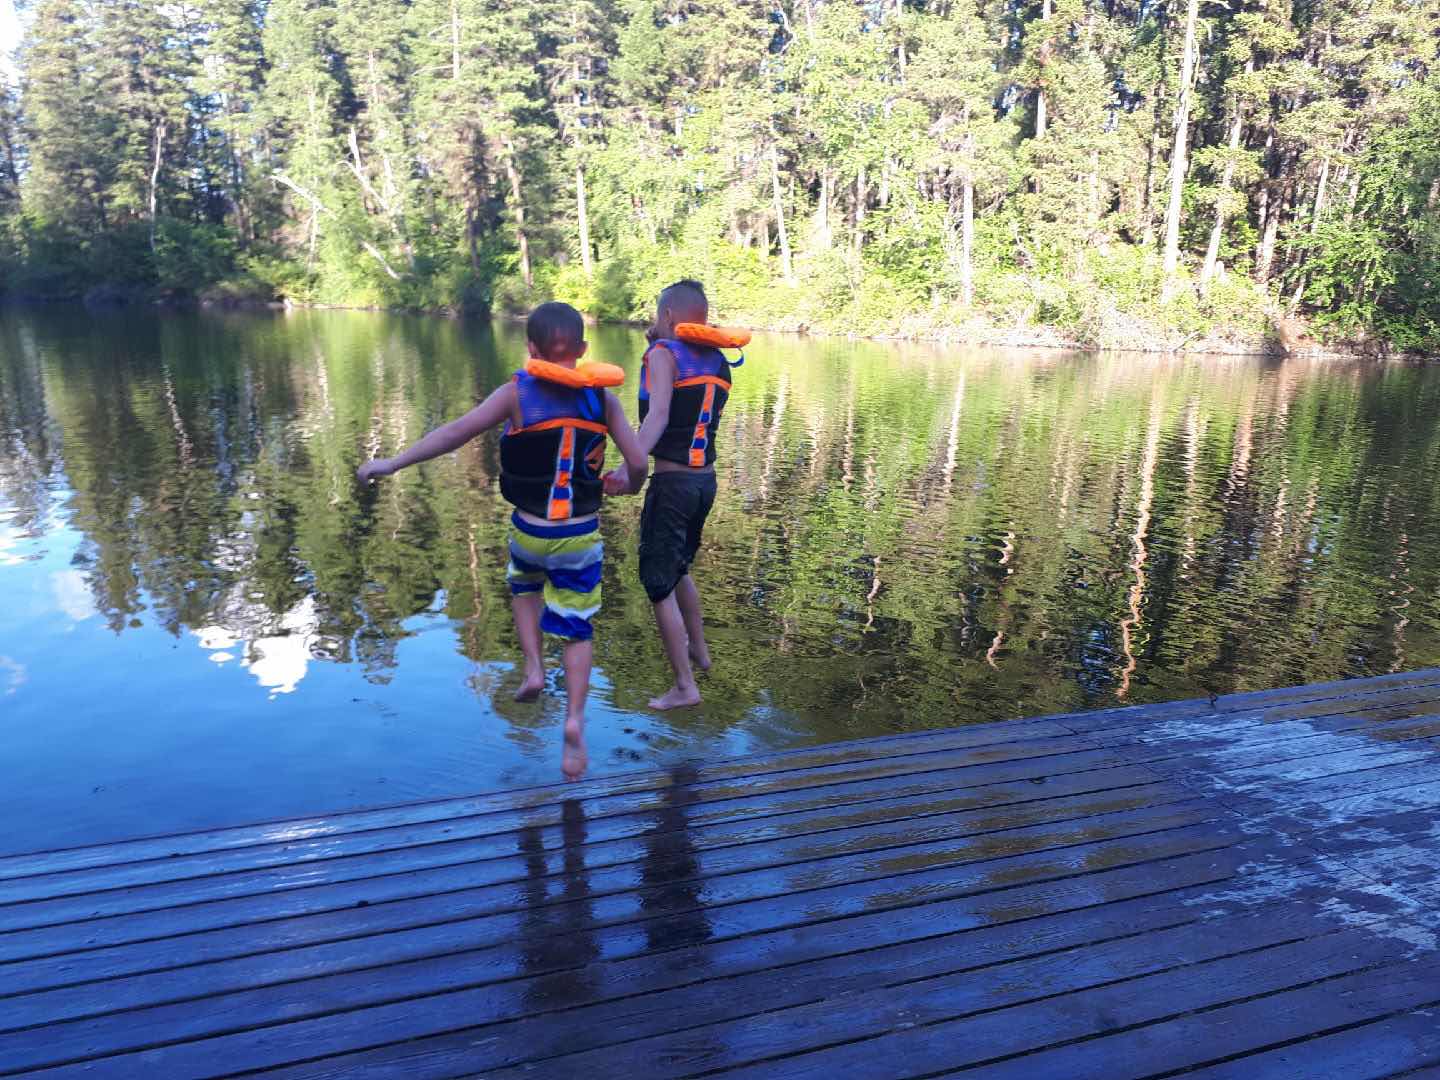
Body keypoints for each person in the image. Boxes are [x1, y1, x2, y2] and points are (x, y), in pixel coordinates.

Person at [358, 302, 647, 780]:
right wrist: (627, 484)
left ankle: (533, 667)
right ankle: (574, 720)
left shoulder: (516, 394)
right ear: (582, 350)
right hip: (579, 536)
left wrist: (392, 463)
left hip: (530, 531)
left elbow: (455, 433)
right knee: (577, 627)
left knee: (524, 586)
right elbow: (638, 464)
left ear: (530, 348)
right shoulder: (605, 402)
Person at [605, 280, 732, 710]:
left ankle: (684, 686)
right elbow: (686, 407)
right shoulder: (719, 359)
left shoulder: (663, 354)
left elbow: (658, 416)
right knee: (679, 569)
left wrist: (629, 466)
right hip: (704, 483)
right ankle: (699, 650)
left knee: (658, 583)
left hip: (673, 485)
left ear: (669, 316)